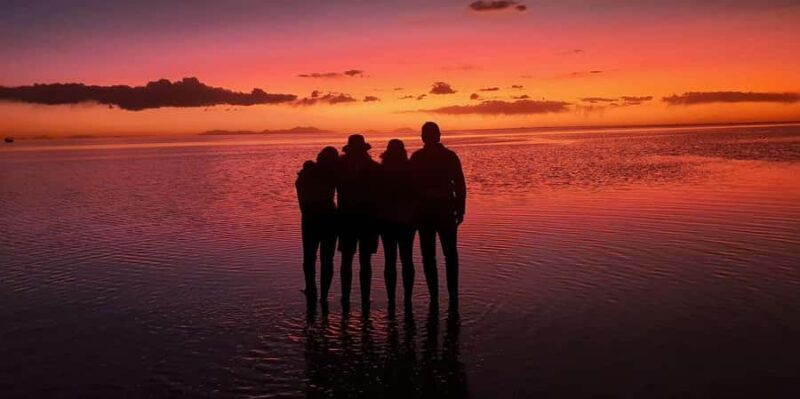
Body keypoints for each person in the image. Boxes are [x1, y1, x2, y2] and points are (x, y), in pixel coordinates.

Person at [409, 122, 466, 307]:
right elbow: (460, 185)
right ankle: (447, 294)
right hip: (434, 209)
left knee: (436, 255)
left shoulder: (422, 157)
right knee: (445, 254)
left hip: (438, 209)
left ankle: (442, 294)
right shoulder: (446, 156)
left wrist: (460, 207)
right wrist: (460, 208)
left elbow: (459, 184)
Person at [337, 134, 381, 310]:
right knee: (349, 260)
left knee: (363, 261)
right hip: (350, 218)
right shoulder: (341, 169)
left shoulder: (372, 168)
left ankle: (364, 298)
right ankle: (347, 297)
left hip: (365, 219)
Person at [295, 146, 339, 307]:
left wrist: (305, 210)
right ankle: (323, 294)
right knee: (326, 259)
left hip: (311, 218)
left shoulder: (308, 172)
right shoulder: (333, 174)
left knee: (310, 257)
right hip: (327, 218)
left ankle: (312, 289)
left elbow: (300, 190)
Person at [377, 139, 417, 310]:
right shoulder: (410, 170)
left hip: (388, 220)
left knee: (390, 260)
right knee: (406, 259)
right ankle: (407, 298)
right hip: (406, 220)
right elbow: (416, 194)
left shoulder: (380, 171)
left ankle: (392, 299)